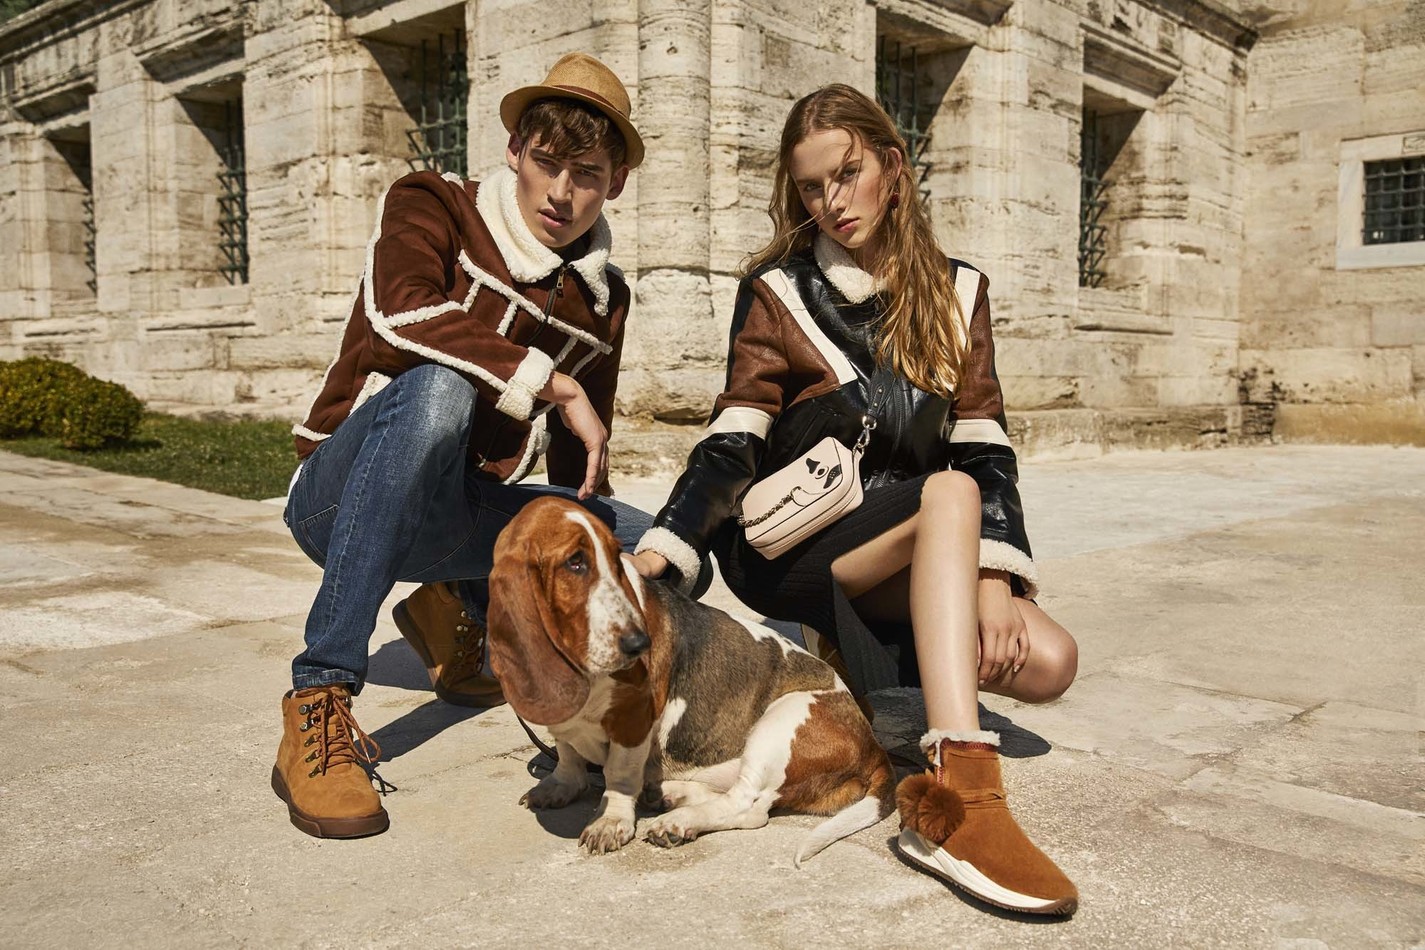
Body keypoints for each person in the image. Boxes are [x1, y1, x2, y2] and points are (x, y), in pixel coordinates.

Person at [628, 84, 1080, 915]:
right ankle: (958, 797)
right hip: (794, 550)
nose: (832, 202)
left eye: (847, 173)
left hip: (906, 541)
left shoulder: (958, 291)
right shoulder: (778, 292)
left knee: (1049, 662)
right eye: (810, 187)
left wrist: (995, 579)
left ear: (892, 168)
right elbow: (733, 438)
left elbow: (984, 443)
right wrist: (668, 540)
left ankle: (864, 656)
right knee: (946, 492)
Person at [274, 53, 651, 840]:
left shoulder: (603, 299)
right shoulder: (434, 202)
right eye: (546, 162)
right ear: (514, 150)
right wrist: (552, 383)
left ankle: (457, 606)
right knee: (440, 390)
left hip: (459, 514)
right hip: (338, 501)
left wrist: (592, 535)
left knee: (646, 544)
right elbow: (399, 312)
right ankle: (321, 696)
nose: (560, 192)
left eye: (586, 173)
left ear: (614, 183)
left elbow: (581, 458)